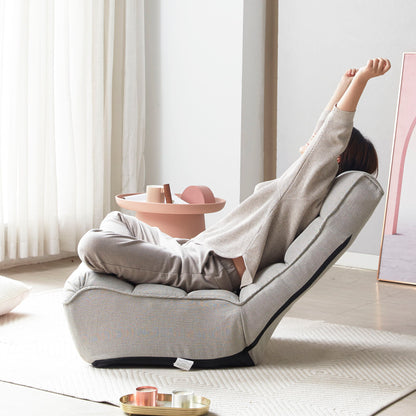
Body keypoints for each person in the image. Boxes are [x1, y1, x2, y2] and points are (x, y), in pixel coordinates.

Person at [78, 58, 391, 294]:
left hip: (209, 270)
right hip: (193, 250)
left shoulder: (305, 190)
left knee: (92, 243)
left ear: (332, 158)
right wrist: (343, 85)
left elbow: (328, 136)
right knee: (116, 221)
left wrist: (361, 81)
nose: (314, 138)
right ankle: (138, 264)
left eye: (321, 144)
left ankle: (135, 267)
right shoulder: (301, 183)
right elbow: (325, 131)